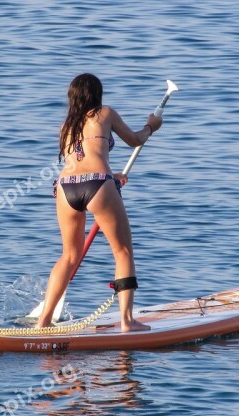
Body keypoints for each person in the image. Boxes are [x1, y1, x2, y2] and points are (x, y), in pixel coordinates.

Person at [36, 73, 163, 332]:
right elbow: (136, 140)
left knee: (69, 256)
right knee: (123, 252)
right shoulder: (104, 113)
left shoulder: (66, 126)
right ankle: (127, 322)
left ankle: (43, 321)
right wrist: (151, 126)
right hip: (97, 185)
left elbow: (79, 160)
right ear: (97, 94)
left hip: (64, 188)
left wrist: (112, 176)